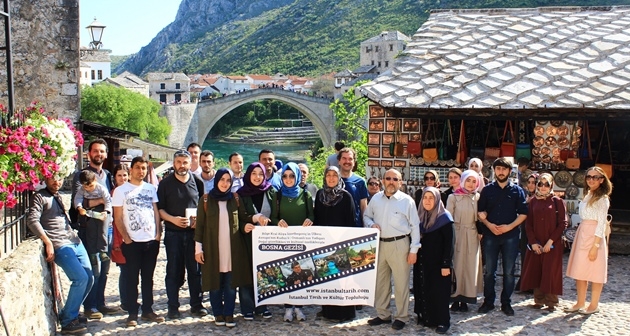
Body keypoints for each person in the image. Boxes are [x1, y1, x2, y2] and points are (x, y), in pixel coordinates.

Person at [28, 176, 93, 334]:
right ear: (45, 179)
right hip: (59, 244)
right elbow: (32, 220)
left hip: (74, 241)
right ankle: (68, 321)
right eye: (53, 179)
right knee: (80, 278)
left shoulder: (56, 196)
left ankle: (71, 312)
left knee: (89, 277)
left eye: (60, 179)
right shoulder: (39, 196)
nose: (57, 182)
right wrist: (47, 241)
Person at [364, 169, 421, 331]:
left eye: (394, 179)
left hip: (399, 245)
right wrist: (370, 224)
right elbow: (366, 216)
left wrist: (413, 250)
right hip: (380, 244)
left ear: (400, 182)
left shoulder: (407, 201)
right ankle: (383, 314)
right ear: (383, 180)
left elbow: (415, 226)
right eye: (388, 178)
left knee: (401, 283)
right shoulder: (375, 199)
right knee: (381, 282)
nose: (391, 181)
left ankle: (401, 316)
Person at [194, 169, 251, 328]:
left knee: (231, 285)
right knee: (215, 283)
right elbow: (199, 226)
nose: (225, 183)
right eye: (222, 180)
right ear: (217, 180)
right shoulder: (205, 200)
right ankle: (218, 313)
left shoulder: (235, 198)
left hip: (232, 249)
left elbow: (242, 218)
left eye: (228, 180)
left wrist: (251, 221)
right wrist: (198, 249)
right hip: (213, 249)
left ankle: (229, 314)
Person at [112, 156, 165, 327]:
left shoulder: (150, 189)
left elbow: (155, 211)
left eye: (143, 168)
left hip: (150, 240)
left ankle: (148, 310)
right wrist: (126, 238)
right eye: (137, 168)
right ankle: (132, 313)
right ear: (131, 169)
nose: (140, 171)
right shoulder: (121, 191)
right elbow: (118, 217)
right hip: (132, 241)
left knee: (148, 278)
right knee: (131, 278)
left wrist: (158, 233)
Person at [157, 150, 207, 319]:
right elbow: (159, 209)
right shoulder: (165, 184)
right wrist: (173, 219)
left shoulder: (197, 182)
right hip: (173, 234)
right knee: (173, 271)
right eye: (179, 162)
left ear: (190, 163)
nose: (182, 166)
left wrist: (197, 219)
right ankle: (173, 307)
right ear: (174, 163)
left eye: (185, 162)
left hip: (194, 235)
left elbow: (203, 207)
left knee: (195, 271)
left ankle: (196, 305)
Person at [71, 139, 116, 319]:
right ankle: (90, 307)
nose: (99, 154)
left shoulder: (107, 175)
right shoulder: (81, 176)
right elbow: (80, 202)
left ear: (105, 154)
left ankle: (100, 303)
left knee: (105, 268)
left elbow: (110, 199)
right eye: (96, 151)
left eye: (102, 151)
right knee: (93, 268)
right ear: (89, 154)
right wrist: (100, 202)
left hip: (107, 229)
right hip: (88, 228)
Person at [477, 157, 528, 316]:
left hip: (510, 236)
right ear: (494, 171)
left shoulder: (517, 191)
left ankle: (506, 303)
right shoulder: (487, 190)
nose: (501, 172)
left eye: (504, 169)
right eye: (498, 169)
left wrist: (509, 227)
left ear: (509, 171)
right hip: (491, 235)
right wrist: (489, 225)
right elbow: (480, 212)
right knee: (489, 271)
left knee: (509, 272)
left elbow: (524, 213)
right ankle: (488, 302)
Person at [565, 166, 612, 315]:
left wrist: (595, 245)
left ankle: (594, 304)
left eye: (595, 177)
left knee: (595, 271)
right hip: (583, 232)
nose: (591, 179)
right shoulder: (587, 195)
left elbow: (601, 222)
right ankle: (580, 302)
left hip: (594, 236)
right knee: (580, 270)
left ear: (601, 180)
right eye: (589, 177)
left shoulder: (602, 199)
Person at [271, 162, 315, 322]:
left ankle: (299, 307)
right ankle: (288, 308)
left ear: (297, 176)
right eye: (285, 176)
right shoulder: (278, 195)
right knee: (287, 274)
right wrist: (278, 222)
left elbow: (312, 215)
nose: (288, 179)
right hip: (284, 241)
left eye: (291, 176)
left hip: (301, 241)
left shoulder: (305, 195)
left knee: (300, 273)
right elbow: (273, 217)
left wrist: (309, 220)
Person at [314, 166, 357, 322]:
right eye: (328, 175)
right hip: (323, 243)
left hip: (340, 244)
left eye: (334, 175)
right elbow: (317, 219)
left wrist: (345, 242)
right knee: (326, 276)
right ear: (325, 177)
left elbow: (352, 222)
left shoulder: (346, 196)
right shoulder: (319, 195)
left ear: (339, 178)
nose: (331, 178)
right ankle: (327, 311)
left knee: (341, 279)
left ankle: (344, 313)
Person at [520, 173, 567, 311]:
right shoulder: (533, 201)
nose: (543, 187)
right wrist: (533, 242)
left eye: (547, 184)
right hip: (537, 242)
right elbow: (529, 224)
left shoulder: (557, 201)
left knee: (551, 270)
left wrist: (550, 241)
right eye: (540, 184)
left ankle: (552, 301)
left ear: (551, 185)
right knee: (537, 269)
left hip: (553, 243)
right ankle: (538, 299)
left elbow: (562, 223)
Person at [237, 163, 276, 320]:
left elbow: (276, 214)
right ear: (248, 175)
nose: (257, 177)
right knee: (246, 272)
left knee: (264, 272)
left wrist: (273, 222)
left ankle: (262, 306)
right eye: (254, 173)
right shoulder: (241, 194)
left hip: (266, 240)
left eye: (261, 174)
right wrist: (243, 226)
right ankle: (247, 307)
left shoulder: (271, 191)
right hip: (247, 238)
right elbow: (238, 217)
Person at [414, 187, 454, 334]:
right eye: (425, 197)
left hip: (439, 264)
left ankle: (443, 321)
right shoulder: (420, 217)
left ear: (437, 200)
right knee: (425, 287)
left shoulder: (444, 218)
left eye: (431, 198)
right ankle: (427, 317)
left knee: (440, 292)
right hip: (423, 261)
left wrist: (446, 264)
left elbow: (449, 244)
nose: (428, 201)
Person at [446, 170, 483, 313]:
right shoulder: (453, 197)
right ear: (463, 180)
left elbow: (480, 217)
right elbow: (448, 218)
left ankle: (467, 298)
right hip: (457, 234)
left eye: (474, 181)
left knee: (470, 267)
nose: (471, 184)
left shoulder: (478, 197)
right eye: (468, 180)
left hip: (472, 235)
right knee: (456, 265)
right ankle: (454, 297)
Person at [74, 170, 112, 265]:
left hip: (102, 210)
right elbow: (77, 199)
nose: (88, 189)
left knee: (102, 230)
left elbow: (108, 200)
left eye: (90, 186)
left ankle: (103, 251)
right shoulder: (82, 190)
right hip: (90, 211)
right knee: (91, 231)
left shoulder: (101, 189)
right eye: (86, 187)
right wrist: (79, 207)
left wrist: (106, 211)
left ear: (95, 180)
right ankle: (93, 253)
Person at [110, 164, 129, 312]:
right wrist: (117, 241)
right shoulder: (114, 193)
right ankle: (125, 301)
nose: (122, 178)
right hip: (119, 237)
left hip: (134, 237)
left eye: (125, 175)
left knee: (133, 270)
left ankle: (131, 299)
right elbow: (114, 221)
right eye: (119, 176)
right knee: (125, 271)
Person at [516, 173, 538, 292]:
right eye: (529, 182)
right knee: (525, 256)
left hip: (536, 231)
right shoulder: (526, 196)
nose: (530, 185)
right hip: (525, 230)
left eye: (533, 182)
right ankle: (526, 284)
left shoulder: (540, 197)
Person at [338, 148, 368, 227]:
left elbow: (363, 207)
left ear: (354, 162)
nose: (347, 161)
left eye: (350, 159)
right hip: (335, 227)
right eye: (344, 158)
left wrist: (365, 226)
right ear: (339, 161)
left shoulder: (360, 181)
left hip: (355, 227)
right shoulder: (332, 180)